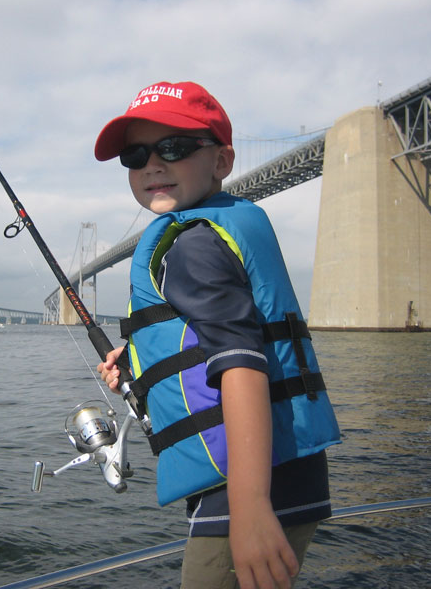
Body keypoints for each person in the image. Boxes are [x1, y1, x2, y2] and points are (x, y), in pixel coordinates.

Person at [95, 81, 341, 589]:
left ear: (222, 162)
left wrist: (250, 510)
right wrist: (138, 356)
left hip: (249, 485)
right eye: (136, 155)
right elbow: (212, 337)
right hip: (287, 470)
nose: (152, 165)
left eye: (175, 148)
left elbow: (243, 364)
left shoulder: (191, 246)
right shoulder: (213, 229)